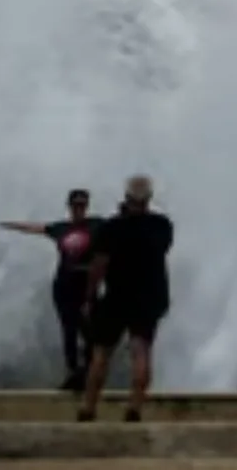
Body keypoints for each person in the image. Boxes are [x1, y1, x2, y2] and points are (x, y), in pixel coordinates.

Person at [76, 175, 174, 423]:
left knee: (101, 353)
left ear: (126, 197)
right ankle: (135, 407)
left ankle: (88, 407)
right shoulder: (162, 226)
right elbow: (159, 249)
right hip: (150, 296)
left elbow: (99, 265)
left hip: (117, 296)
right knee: (141, 351)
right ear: (149, 198)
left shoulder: (111, 228)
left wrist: (89, 297)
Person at [0, 188, 104, 391]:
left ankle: (88, 371)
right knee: (69, 330)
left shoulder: (96, 225)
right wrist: (10, 225)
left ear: (87, 206)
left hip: (87, 284)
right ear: (69, 206)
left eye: (82, 205)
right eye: (75, 205)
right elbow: (37, 228)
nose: (79, 209)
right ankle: (73, 372)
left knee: (91, 332)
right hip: (64, 285)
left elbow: (119, 230)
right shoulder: (61, 228)